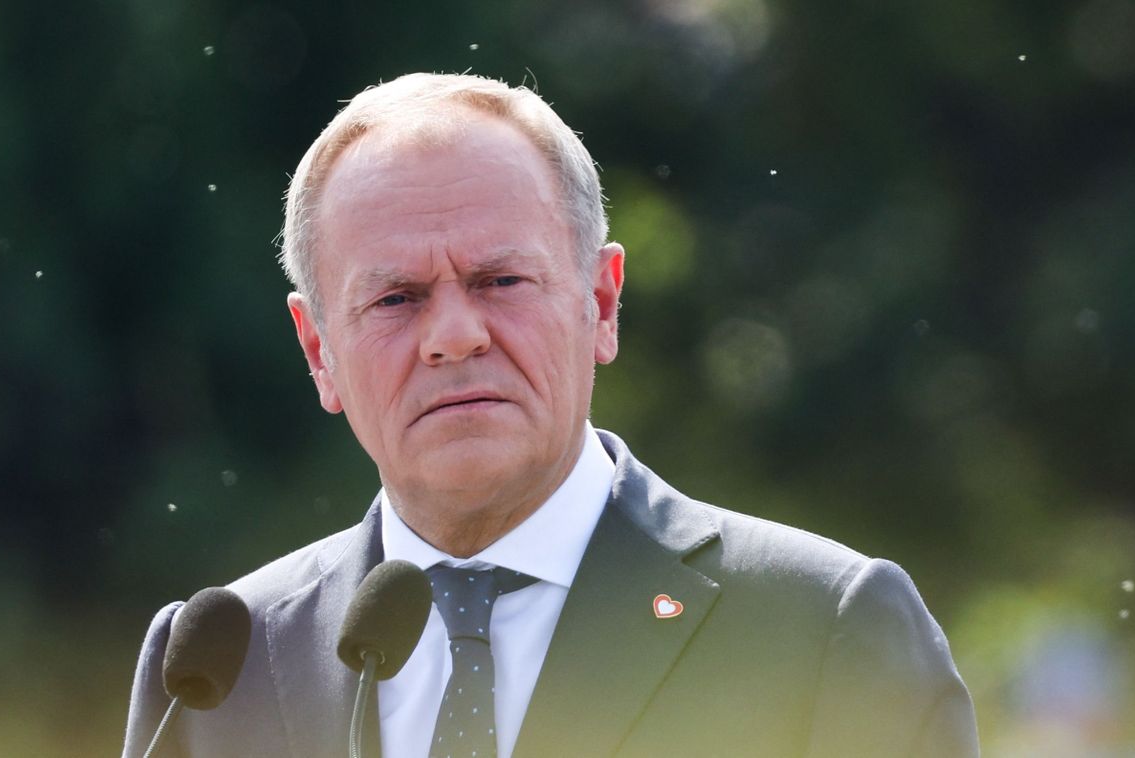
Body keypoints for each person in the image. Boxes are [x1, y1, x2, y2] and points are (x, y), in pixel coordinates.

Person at [122, 73, 979, 758]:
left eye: (500, 280)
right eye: (395, 298)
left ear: (601, 303)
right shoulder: (217, 668)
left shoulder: (818, 626)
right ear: (318, 351)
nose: (453, 336)